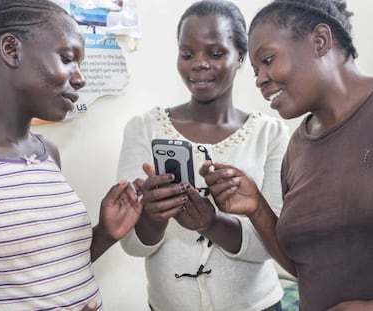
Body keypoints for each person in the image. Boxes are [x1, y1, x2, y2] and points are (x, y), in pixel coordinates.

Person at [0, 1, 142, 310]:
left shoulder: (46, 153)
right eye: (67, 59)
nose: (80, 78)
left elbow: (37, 274)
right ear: (11, 50)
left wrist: (106, 234)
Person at [198, 0, 373, 310]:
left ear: (320, 41)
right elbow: (307, 267)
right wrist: (257, 208)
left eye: (267, 60)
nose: (259, 79)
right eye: (255, 70)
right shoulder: (297, 148)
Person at [117, 1, 290, 310]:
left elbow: (274, 245)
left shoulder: (270, 135)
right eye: (187, 54)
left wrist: (211, 224)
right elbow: (131, 244)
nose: (198, 63)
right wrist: (153, 218)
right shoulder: (143, 129)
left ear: (239, 55)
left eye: (214, 53)